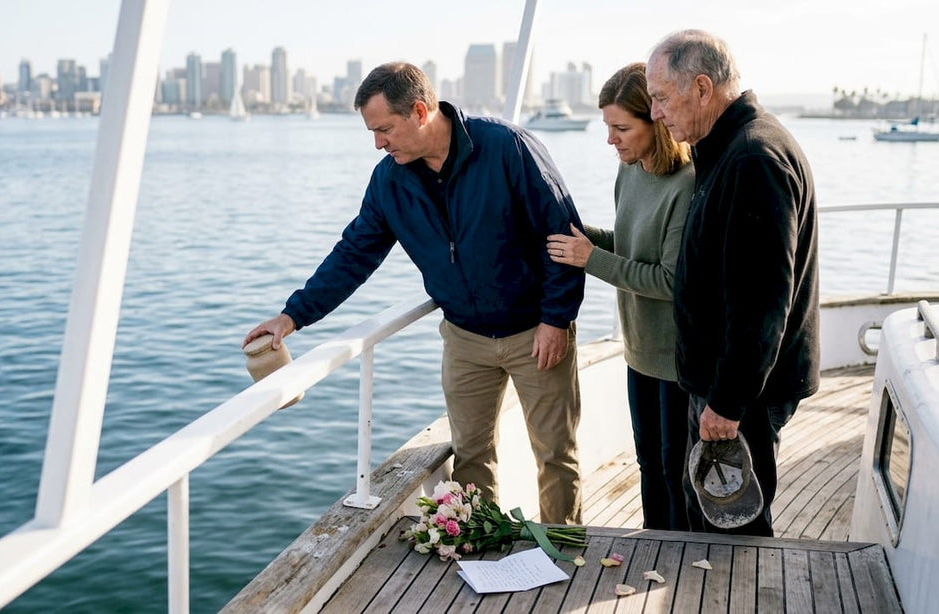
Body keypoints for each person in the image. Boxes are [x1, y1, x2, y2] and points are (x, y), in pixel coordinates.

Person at [243, 62, 587, 524]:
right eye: (372, 132)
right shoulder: (390, 180)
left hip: (536, 332)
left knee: (555, 453)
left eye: (384, 129)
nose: (378, 143)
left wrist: (555, 318)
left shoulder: (507, 147)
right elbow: (353, 255)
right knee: (471, 455)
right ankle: (479, 543)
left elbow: (562, 235)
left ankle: (564, 549)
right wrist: (292, 317)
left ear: (420, 112)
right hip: (464, 340)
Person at [645, 30, 820, 536]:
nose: (655, 113)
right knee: (708, 520)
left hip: (741, 395)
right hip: (726, 383)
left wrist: (726, 402)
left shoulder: (752, 159)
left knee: (731, 533)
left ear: (702, 88)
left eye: (661, 97)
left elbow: (762, 302)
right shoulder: (726, 148)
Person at [546, 62, 694, 531]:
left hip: (676, 359)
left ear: (657, 120)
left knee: (675, 473)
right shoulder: (629, 171)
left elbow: (670, 279)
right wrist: (580, 238)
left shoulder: (687, 184)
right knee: (648, 465)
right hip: (637, 349)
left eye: (622, 128)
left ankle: (682, 560)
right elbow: (629, 246)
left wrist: (589, 259)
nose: (611, 139)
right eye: (607, 127)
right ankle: (654, 549)